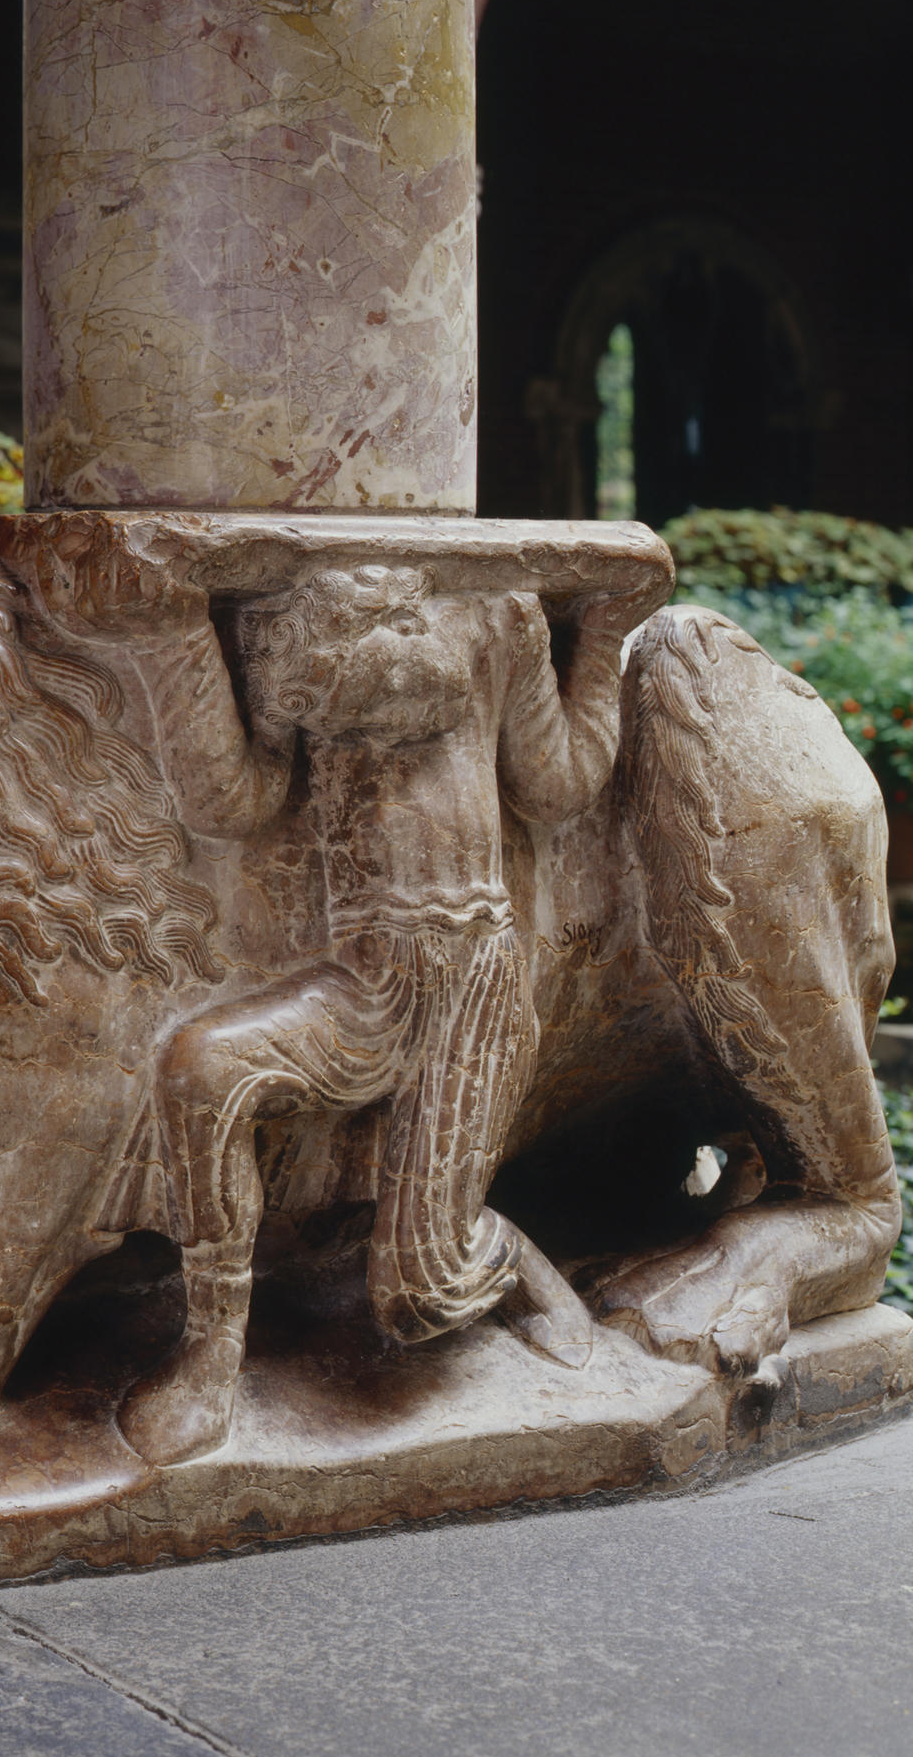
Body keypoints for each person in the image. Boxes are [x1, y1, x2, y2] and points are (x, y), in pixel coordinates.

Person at [110, 558, 645, 1463]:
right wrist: (179, 636)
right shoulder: (303, 636)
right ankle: (210, 1354)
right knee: (200, 1068)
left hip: (471, 978)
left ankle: (505, 1253)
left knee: (419, 1294)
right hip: (363, 981)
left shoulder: (493, 616)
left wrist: (600, 634)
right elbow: (234, 801)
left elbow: (555, 784)